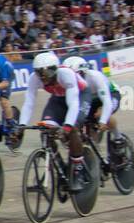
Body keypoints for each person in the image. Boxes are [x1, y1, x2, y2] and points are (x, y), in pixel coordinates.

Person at [17, 51, 90, 191]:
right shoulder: (35, 78)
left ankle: (77, 170)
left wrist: (67, 126)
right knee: (45, 130)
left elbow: (73, 103)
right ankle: (61, 169)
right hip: (58, 98)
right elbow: (29, 103)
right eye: (39, 73)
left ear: (55, 69)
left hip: (80, 97)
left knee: (73, 129)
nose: (42, 77)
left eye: (45, 73)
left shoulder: (66, 74)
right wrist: (21, 125)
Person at [65, 55, 119, 144]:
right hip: (91, 98)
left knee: (101, 114)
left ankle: (118, 137)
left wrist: (103, 121)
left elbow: (106, 101)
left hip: (111, 94)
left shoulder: (95, 77)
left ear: (83, 72)